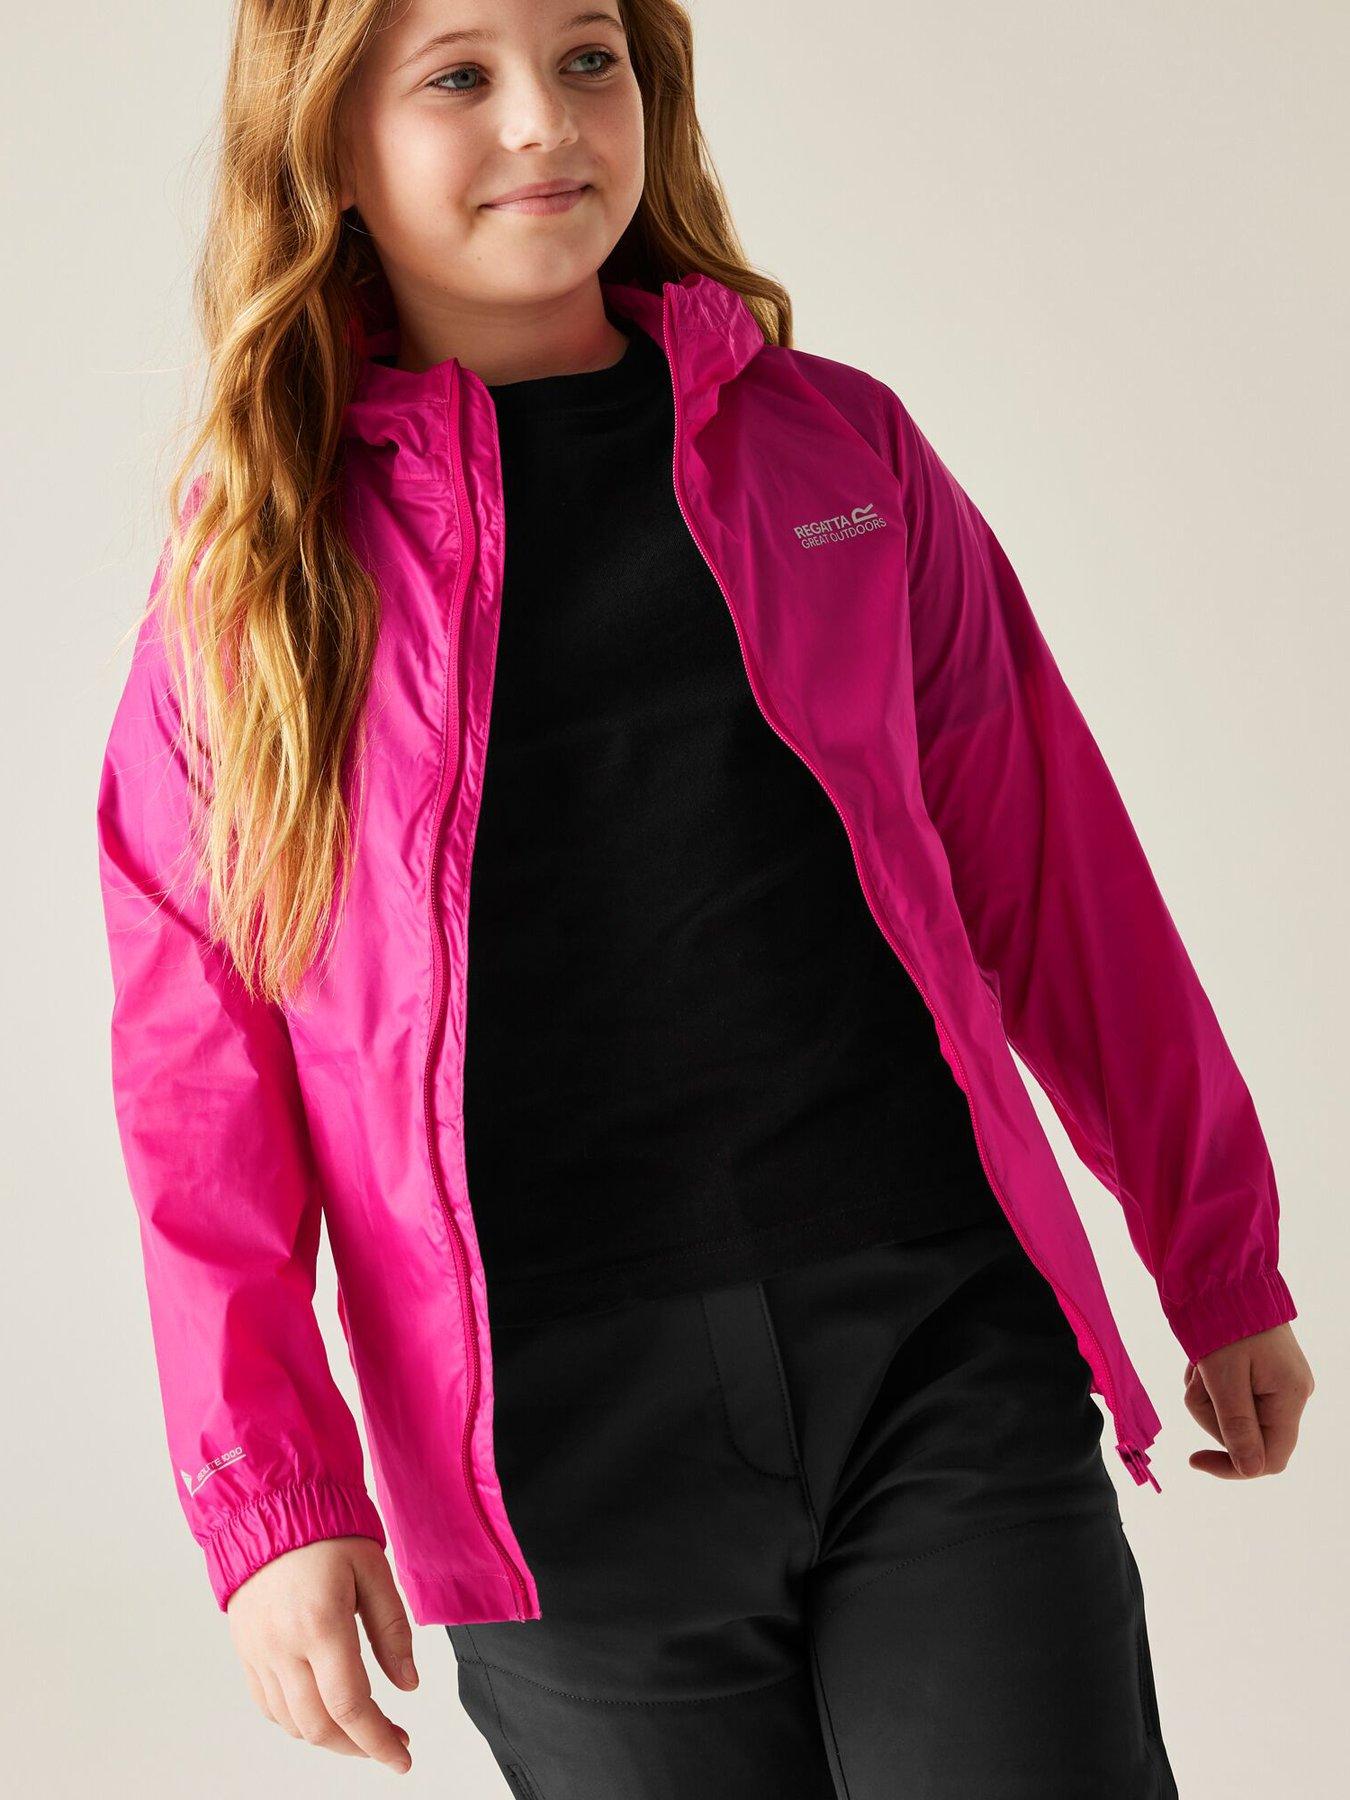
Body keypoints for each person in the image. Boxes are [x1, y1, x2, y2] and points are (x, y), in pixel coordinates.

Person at [95, 1, 1314, 1792]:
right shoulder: (257, 578)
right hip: (551, 1448)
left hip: (939, 1349)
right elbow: (196, 1083)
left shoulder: (840, 454)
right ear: (332, 148)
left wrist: (1213, 1254)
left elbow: (1056, 874)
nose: (546, 121)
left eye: (589, 59)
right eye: (459, 77)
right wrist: (273, 1499)